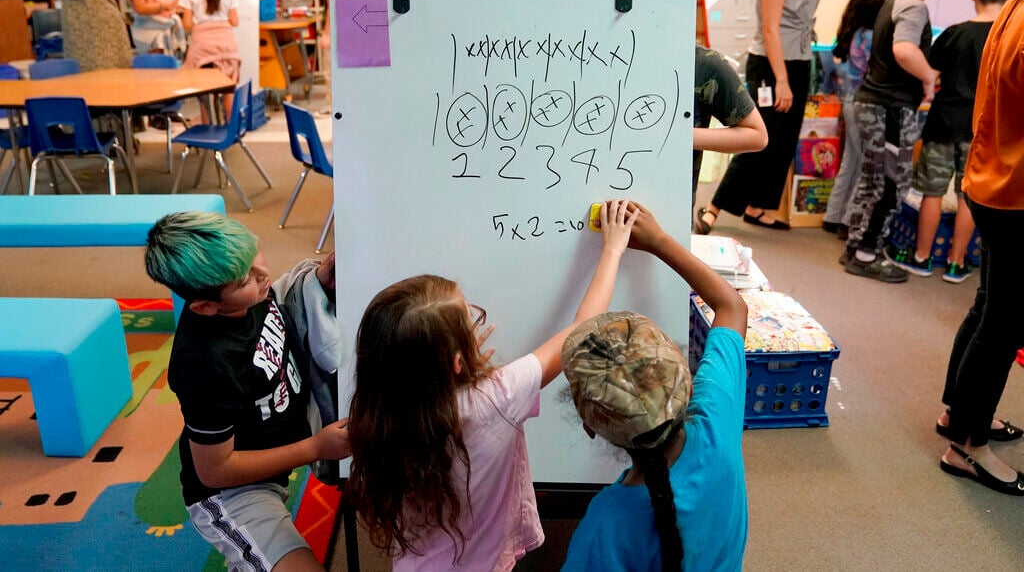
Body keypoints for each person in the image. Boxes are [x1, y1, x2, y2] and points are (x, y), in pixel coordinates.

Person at [346, 200, 638, 570]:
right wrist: (612, 249)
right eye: (470, 322)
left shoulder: (380, 414)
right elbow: (579, 333)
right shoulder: (498, 397)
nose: (476, 324)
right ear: (454, 362)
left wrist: (452, 363)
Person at [143, 212, 352, 570]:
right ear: (206, 306)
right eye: (246, 279)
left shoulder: (250, 298)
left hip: (272, 455)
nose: (263, 275)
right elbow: (215, 471)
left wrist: (317, 281)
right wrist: (316, 447)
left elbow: (279, 303)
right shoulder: (206, 363)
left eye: (256, 256)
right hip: (232, 492)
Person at [561, 202, 749, 570]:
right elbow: (732, 307)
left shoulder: (608, 522)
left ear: (589, 425)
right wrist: (660, 241)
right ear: (688, 384)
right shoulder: (716, 423)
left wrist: (612, 251)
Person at [604, 0, 768, 233]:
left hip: (668, 211)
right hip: (598, 202)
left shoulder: (703, 65)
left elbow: (756, 136)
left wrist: (681, 136)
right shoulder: (596, 55)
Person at [935, 0, 1024, 496]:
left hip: (990, 182)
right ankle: (967, 448)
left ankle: (957, 415)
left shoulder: (1013, 7)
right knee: (1004, 325)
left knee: (989, 307)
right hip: (1014, 193)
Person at [700, 0, 840, 233]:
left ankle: (756, 206)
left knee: (784, 141)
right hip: (771, 64)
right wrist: (781, 80)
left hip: (799, 60)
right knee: (758, 135)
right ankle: (714, 208)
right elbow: (770, 27)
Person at [840, 0, 960, 282]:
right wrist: (929, 77)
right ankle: (866, 254)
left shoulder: (888, 2)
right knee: (892, 185)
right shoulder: (913, 6)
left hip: (872, 102)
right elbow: (905, 50)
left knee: (872, 181)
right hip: (890, 108)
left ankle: (855, 246)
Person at [888, 0, 1013, 283]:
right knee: (966, 195)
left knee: (931, 192)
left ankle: (922, 257)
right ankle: (957, 263)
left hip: (943, 124)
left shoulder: (955, 34)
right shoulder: (1008, 38)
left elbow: (933, 73)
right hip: (982, 131)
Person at [821, 0, 891, 240]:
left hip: (850, 99)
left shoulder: (855, 32)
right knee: (864, 164)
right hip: (866, 102)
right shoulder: (873, 37)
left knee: (850, 160)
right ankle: (849, 219)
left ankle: (833, 215)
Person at [179, 0, 242, 123]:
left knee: (206, 96)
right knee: (229, 92)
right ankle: (232, 131)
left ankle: (208, 132)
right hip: (227, 47)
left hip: (203, 50)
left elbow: (187, 24)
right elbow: (234, 21)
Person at [317, 0, 332, 115]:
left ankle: (331, 106)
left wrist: (326, 34)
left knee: (329, 72)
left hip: (332, 32)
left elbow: (330, 6)